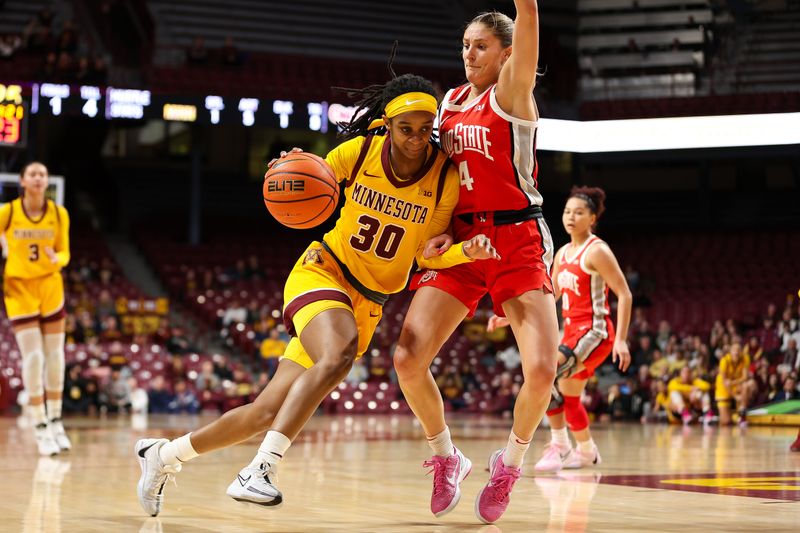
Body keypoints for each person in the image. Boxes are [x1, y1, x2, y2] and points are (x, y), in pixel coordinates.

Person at [134, 72, 499, 517]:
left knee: (265, 410)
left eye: (426, 129)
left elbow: (425, 254)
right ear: (387, 123)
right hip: (323, 271)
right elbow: (314, 175)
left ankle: (163, 457)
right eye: (407, 129)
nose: (417, 139)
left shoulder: (444, 178)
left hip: (369, 302)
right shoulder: (361, 150)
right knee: (338, 353)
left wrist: (463, 251)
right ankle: (261, 470)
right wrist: (294, 165)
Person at [393, 2, 560, 524]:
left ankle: (509, 464)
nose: (469, 53)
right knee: (406, 359)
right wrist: (437, 231)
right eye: (465, 44)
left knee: (541, 371)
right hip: (463, 240)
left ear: (507, 55)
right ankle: (447, 457)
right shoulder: (449, 101)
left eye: (481, 45)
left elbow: (528, 22)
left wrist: (526, 7)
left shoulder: (511, 93)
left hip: (516, 239)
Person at [490, 186, 632, 472]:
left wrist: (622, 340)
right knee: (569, 395)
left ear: (592, 218)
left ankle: (560, 446)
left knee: (547, 376)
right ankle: (587, 451)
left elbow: (625, 294)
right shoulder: (563, 252)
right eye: (568, 211)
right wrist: (509, 315)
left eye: (579, 212)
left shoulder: (598, 251)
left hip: (594, 331)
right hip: (571, 332)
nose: (571, 217)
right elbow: (550, 293)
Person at [0, 161, 71, 456]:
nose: (39, 178)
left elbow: (65, 251)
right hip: (19, 289)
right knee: (34, 356)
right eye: (33, 174)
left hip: (50, 286)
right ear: (23, 181)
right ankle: (39, 425)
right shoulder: (8, 212)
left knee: (55, 355)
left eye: (43, 174)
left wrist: (59, 260)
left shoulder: (58, 212)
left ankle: (56, 420)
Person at [715, 341, 750, 426]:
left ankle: (742, 415)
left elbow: (745, 377)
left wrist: (733, 382)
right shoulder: (724, 360)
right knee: (726, 422)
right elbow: (725, 382)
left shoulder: (745, 358)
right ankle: (732, 416)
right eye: (734, 349)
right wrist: (735, 396)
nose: (736, 352)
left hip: (734, 385)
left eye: (738, 349)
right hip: (723, 389)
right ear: (730, 351)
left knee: (747, 385)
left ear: (741, 351)